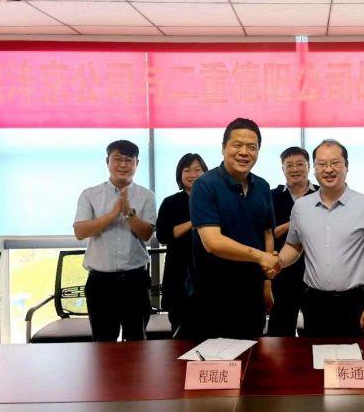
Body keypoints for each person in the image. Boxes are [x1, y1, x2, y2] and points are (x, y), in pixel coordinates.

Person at [277, 139, 364, 337]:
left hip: (356, 304)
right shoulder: (301, 207)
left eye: (335, 163)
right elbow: (294, 246)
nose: (328, 169)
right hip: (314, 304)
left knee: (358, 356)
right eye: (321, 164)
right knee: (315, 356)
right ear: (314, 169)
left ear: (346, 166)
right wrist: (276, 262)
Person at [186, 118, 279, 340]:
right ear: (223, 148)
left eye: (252, 147)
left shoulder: (263, 186)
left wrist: (267, 281)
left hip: (252, 294)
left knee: (253, 354)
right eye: (237, 145)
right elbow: (213, 242)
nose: (244, 152)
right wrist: (261, 257)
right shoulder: (205, 185)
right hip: (212, 295)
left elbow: (267, 233)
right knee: (214, 358)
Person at [73, 140, 156, 342]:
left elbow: (146, 234)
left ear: (137, 163)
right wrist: (112, 215)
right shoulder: (90, 194)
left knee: (137, 342)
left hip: (135, 280)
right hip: (101, 282)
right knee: (103, 343)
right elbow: (80, 231)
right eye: (117, 159)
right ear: (107, 161)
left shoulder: (146, 195)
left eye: (129, 160)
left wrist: (129, 213)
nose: (123, 165)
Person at [268, 147, 318, 336]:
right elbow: (268, 233)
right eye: (289, 165)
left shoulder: (322, 193)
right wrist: (296, 221)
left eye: (300, 164)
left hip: (316, 273)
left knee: (317, 330)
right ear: (283, 169)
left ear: (309, 166)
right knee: (280, 330)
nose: (295, 169)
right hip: (282, 271)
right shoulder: (271, 196)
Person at [156, 153, 208, 334]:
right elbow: (163, 236)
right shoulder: (170, 202)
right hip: (178, 273)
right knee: (180, 332)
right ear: (180, 175)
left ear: (205, 173)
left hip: (209, 272)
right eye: (187, 170)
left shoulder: (214, 199)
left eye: (197, 170)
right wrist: (194, 221)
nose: (192, 174)